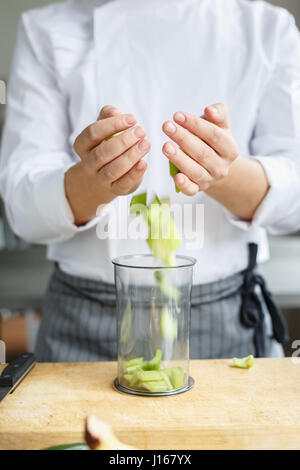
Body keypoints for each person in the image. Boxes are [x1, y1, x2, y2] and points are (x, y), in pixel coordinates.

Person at [0, 0, 299, 362]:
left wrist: (222, 173)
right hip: (83, 323)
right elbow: (22, 208)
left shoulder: (268, 28)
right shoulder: (46, 30)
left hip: (225, 319)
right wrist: (92, 182)